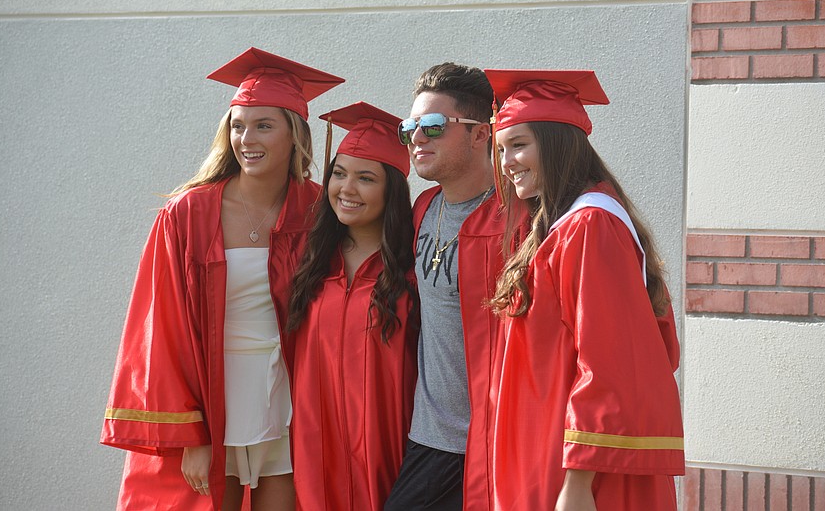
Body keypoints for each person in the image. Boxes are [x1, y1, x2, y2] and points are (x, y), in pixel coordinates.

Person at [101, 47, 344, 510]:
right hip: (214, 395)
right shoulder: (188, 214)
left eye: (263, 125)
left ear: (295, 134)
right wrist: (190, 433)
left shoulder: (319, 209)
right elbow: (160, 329)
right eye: (237, 125)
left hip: (290, 392)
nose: (246, 138)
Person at [487, 69, 685, 510]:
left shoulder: (590, 226)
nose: (507, 162)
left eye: (519, 144)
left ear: (559, 143)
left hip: (578, 471)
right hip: (547, 450)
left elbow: (608, 363)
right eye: (500, 149)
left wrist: (576, 486)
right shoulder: (562, 225)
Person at [385, 63, 527, 511]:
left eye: (432, 126)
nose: (417, 139)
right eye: (410, 128)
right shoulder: (425, 206)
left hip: (496, 443)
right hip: (429, 438)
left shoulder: (519, 220)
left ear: (481, 133)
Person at [286, 101, 419, 510]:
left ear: (391, 190)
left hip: (389, 450)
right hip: (315, 449)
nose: (347, 189)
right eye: (339, 174)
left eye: (366, 178)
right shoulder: (310, 262)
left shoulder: (413, 272)